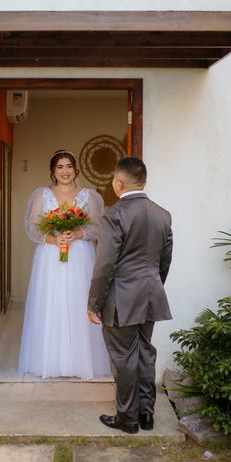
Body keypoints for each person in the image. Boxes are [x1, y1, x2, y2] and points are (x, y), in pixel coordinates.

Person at [87, 157, 173, 434]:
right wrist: (153, 286)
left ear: (118, 182)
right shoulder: (162, 214)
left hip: (121, 298)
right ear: (143, 182)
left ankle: (127, 419)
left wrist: (94, 303)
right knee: (145, 353)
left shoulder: (114, 215)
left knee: (124, 358)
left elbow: (105, 265)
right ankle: (147, 414)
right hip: (150, 294)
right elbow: (165, 260)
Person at [18, 150, 111, 379]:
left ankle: (80, 362)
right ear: (52, 171)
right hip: (50, 257)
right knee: (52, 302)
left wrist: (77, 233)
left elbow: (98, 227)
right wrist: (54, 239)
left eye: (69, 166)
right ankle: (50, 361)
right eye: (60, 167)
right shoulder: (42, 195)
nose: (65, 171)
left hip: (80, 255)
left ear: (76, 169)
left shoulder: (88, 196)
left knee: (79, 301)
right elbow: (32, 227)